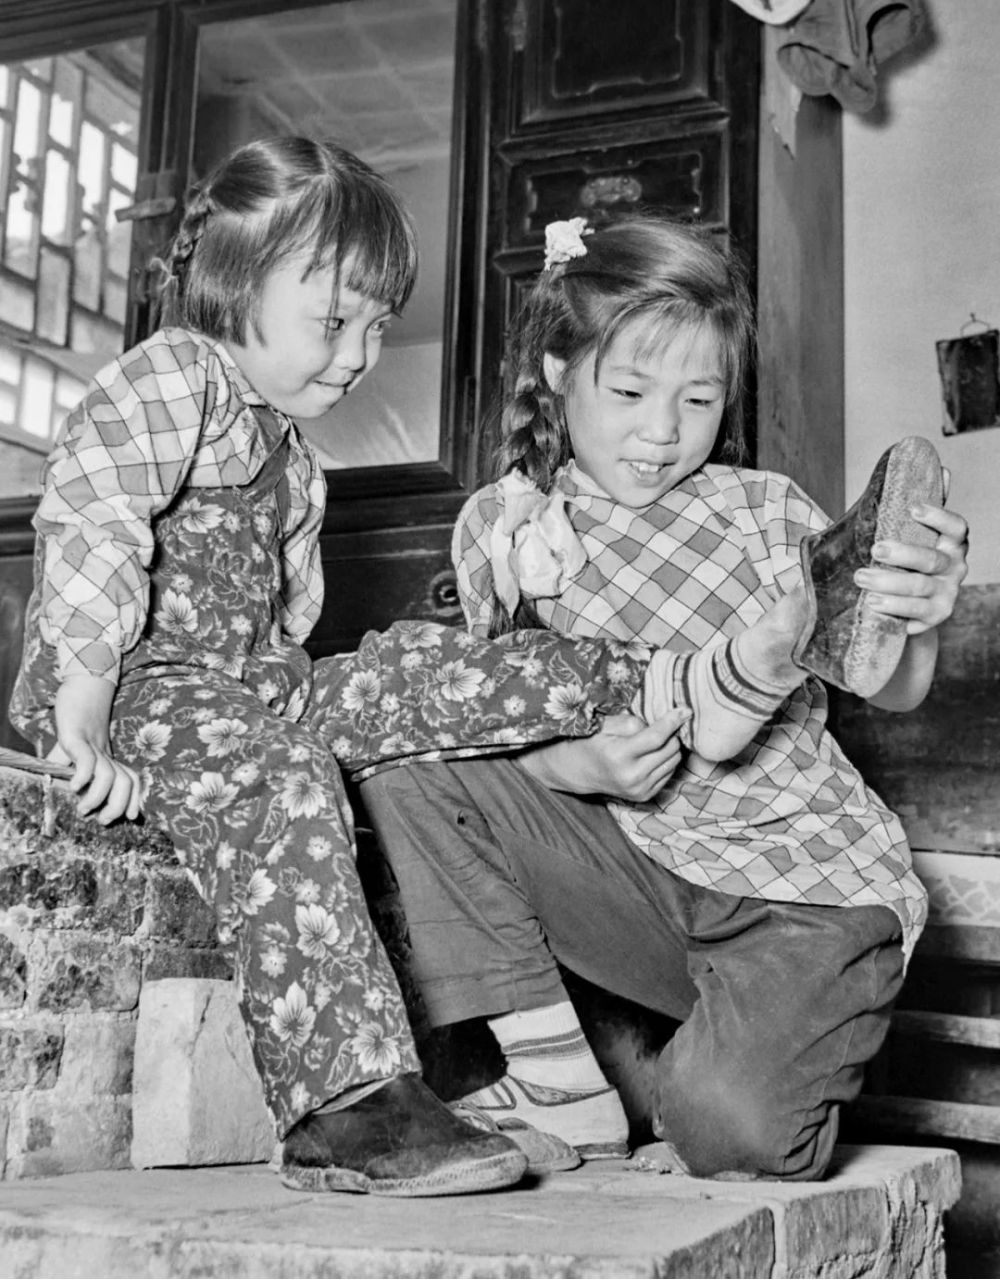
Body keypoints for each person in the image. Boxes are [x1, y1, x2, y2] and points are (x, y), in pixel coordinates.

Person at [7, 141, 706, 1198]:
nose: (359, 354)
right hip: (135, 682)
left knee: (418, 668)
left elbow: (285, 625)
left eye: (377, 327)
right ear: (234, 284)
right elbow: (94, 516)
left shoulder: (289, 448)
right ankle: (347, 1103)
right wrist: (85, 704)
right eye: (334, 321)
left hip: (250, 685)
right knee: (288, 769)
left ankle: (669, 672)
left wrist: (353, 694)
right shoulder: (173, 374)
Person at [358, 213, 970, 1181]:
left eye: (698, 398)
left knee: (725, 1132)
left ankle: (740, 1059)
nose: (662, 430)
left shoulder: (763, 510)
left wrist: (918, 615)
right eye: (630, 391)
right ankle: (556, 1078)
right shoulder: (503, 525)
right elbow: (486, 719)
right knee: (403, 742)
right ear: (560, 370)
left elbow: (889, 681)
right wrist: (569, 764)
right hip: (640, 883)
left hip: (800, 894)